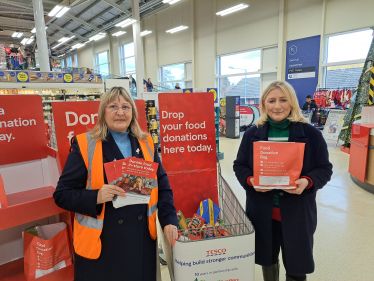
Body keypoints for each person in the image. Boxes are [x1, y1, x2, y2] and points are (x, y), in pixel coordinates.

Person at [53, 86, 178, 281]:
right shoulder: (85, 145)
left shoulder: (145, 143)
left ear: (133, 113)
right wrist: (96, 196)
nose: (120, 112)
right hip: (103, 248)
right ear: (103, 112)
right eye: (113, 106)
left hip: (141, 242)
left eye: (125, 107)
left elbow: (161, 184)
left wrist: (169, 220)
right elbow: (62, 195)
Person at [233, 81, 332, 281]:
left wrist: (307, 182)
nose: (277, 106)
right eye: (271, 101)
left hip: (297, 213)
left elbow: (324, 169)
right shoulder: (252, 134)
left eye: (283, 100)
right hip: (262, 212)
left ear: (292, 103)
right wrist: (251, 180)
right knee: (267, 259)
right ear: (264, 104)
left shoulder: (311, 135)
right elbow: (239, 165)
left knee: (297, 264)